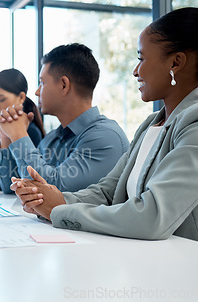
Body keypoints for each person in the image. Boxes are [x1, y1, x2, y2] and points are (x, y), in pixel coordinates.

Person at [11, 7, 198, 241]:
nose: (135, 71)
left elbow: (153, 217)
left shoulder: (194, 123)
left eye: (141, 59)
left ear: (176, 62)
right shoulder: (152, 123)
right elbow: (108, 191)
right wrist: (47, 200)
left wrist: (56, 209)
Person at [0, 43, 129, 193]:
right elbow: (11, 186)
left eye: (42, 83)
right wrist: (6, 138)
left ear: (64, 85)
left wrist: (18, 135)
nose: (36, 92)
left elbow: (53, 191)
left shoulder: (106, 137)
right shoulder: (52, 138)